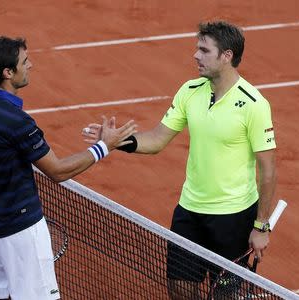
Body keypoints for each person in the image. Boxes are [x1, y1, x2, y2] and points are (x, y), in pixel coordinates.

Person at [83, 21, 277, 298]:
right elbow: (158, 139)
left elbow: (268, 170)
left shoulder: (254, 105)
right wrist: (116, 143)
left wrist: (261, 226)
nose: (195, 56)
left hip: (233, 217)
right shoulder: (190, 91)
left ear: (227, 55)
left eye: (204, 50)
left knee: (223, 296)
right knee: (180, 289)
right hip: (190, 211)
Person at [0, 36, 136, 300]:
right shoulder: (18, 122)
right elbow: (57, 170)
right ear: (8, 73)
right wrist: (103, 147)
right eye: (24, 61)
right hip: (23, 231)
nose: (31, 65)